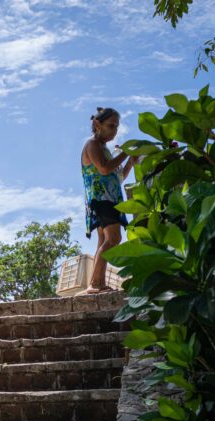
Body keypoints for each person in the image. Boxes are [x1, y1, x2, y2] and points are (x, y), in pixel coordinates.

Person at [81, 107, 137, 294]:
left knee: (104, 240)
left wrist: (130, 160)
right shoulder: (92, 145)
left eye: (116, 127)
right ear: (97, 124)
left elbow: (117, 177)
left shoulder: (104, 148)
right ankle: (95, 284)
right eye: (111, 126)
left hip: (109, 198)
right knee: (114, 239)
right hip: (101, 198)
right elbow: (104, 169)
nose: (114, 131)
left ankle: (97, 283)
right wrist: (125, 152)